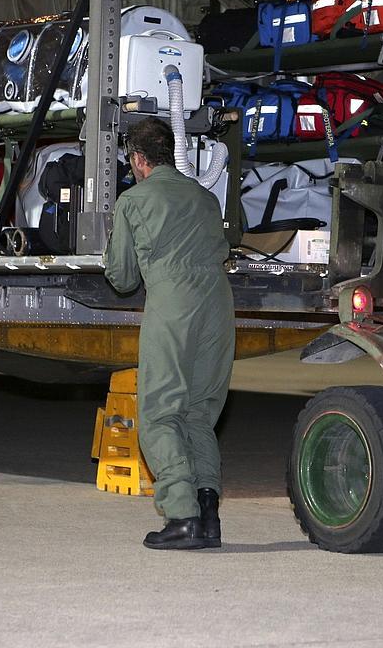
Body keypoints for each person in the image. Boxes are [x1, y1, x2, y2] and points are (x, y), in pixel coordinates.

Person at [103, 117, 236, 549]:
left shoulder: (133, 200)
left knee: (161, 414)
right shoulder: (205, 197)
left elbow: (122, 277)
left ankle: (181, 516)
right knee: (199, 413)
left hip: (174, 309)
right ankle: (207, 514)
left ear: (138, 159)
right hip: (218, 308)